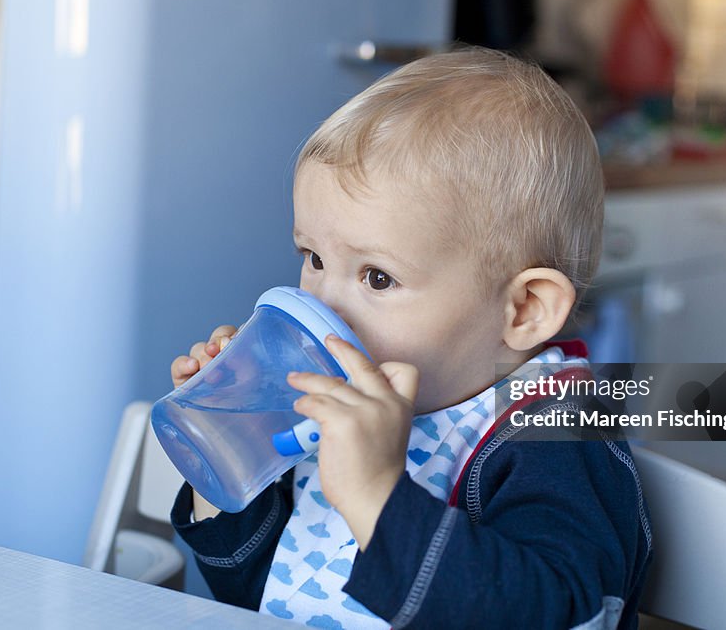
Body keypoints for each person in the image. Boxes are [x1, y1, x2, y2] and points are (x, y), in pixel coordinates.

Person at [168, 47, 652, 629]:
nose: (320, 304)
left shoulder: (552, 440)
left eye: (377, 277)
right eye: (313, 258)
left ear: (523, 309)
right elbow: (264, 595)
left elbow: (557, 614)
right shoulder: (347, 404)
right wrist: (230, 451)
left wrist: (378, 496)